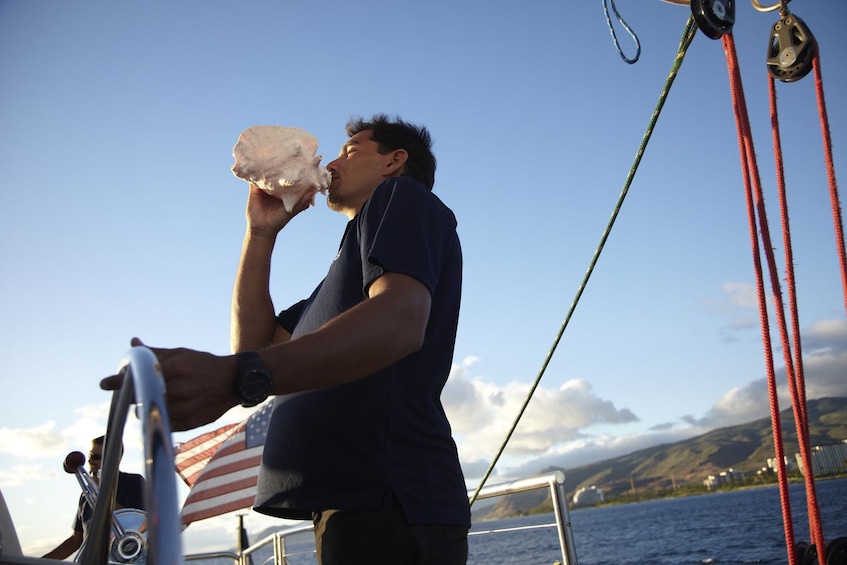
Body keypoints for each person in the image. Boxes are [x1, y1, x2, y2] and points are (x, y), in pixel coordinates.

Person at [102, 114, 470, 564]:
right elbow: (256, 346)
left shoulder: (401, 196)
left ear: (394, 162)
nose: (332, 164)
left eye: (349, 152)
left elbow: (400, 318)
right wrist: (260, 234)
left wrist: (240, 376)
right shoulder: (339, 281)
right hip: (353, 502)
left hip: (390, 496)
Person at [42, 436, 146, 560]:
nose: (90, 461)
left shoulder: (134, 483)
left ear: (113, 459)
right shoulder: (86, 495)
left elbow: (138, 521)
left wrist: (103, 494)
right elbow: (76, 541)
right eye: (90, 456)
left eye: (96, 457)